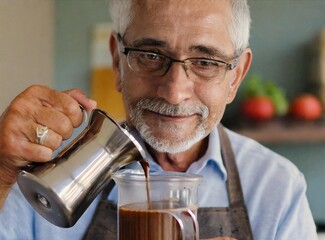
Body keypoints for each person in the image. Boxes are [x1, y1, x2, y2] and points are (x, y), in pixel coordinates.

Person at [0, 0, 318, 239]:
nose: (174, 93)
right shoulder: (42, 180)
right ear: (116, 60)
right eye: (151, 55)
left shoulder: (277, 188)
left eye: (205, 61)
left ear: (236, 77)